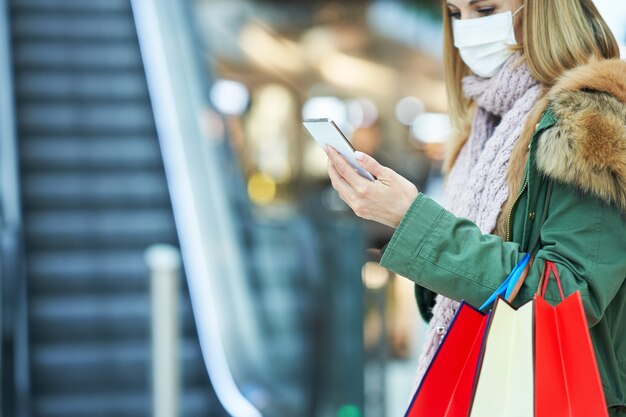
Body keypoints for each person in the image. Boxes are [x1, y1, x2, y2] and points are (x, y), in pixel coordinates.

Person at [324, 0, 626, 415]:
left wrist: (415, 222)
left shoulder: (588, 119)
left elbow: (569, 295)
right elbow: (452, 298)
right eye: (454, 13)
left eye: (484, 9)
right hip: (485, 387)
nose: (466, 28)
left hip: (555, 398)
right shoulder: (481, 128)